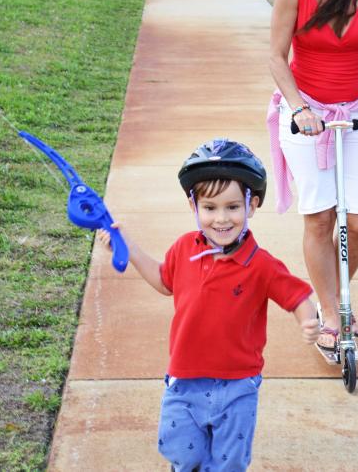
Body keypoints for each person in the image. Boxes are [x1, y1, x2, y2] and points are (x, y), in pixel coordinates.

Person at [99, 139, 320, 471]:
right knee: (182, 455)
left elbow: (296, 295)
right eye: (210, 207)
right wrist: (128, 247)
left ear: (252, 205)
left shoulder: (261, 264)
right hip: (185, 380)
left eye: (233, 207)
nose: (221, 219)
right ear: (194, 206)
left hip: (238, 385)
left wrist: (308, 320)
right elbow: (163, 281)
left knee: (228, 463)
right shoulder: (184, 248)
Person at [267, 0, 358, 354]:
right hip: (306, 112)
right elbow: (276, 56)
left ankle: (338, 293)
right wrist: (299, 108)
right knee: (321, 217)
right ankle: (332, 312)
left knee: (357, 223)